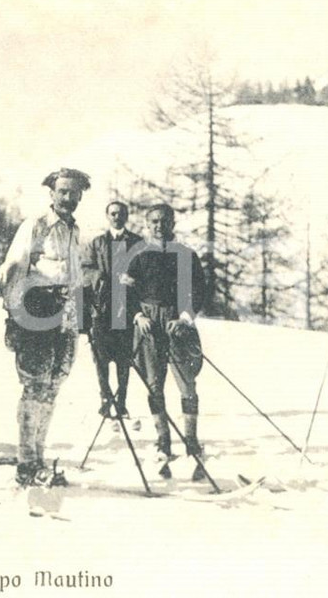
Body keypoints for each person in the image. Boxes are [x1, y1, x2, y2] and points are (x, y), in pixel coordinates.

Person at [0, 167, 90, 487]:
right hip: (36, 309)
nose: (68, 198)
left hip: (65, 314)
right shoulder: (35, 226)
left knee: (53, 386)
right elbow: (11, 269)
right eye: (63, 191)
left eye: (74, 193)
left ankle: (39, 458)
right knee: (34, 386)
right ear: (51, 194)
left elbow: (75, 276)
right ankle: (25, 463)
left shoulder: (74, 230)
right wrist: (13, 314)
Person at [126, 204, 207, 480]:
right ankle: (163, 442)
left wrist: (184, 317)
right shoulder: (136, 255)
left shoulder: (186, 255)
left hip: (177, 325)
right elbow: (125, 291)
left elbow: (199, 290)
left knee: (188, 385)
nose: (159, 225)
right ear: (147, 224)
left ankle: (192, 442)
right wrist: (137, 315)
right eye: (153, 221)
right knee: (153, 384)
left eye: (164, 221)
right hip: (148, 325)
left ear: (172, 222)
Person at [81, 201, 143, 427]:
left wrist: (134, 280)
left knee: (124, 358)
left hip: (126, 308)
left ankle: (121, 400)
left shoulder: (137, 243)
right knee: (101, 358)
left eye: (121, 213)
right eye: (113, 213)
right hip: (102, 308)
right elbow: (85, 269)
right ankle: (106, 400)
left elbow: (144, 270)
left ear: (126, 216)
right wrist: (103, 278)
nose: (117, 217)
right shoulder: (97, 243)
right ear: (107, 216)